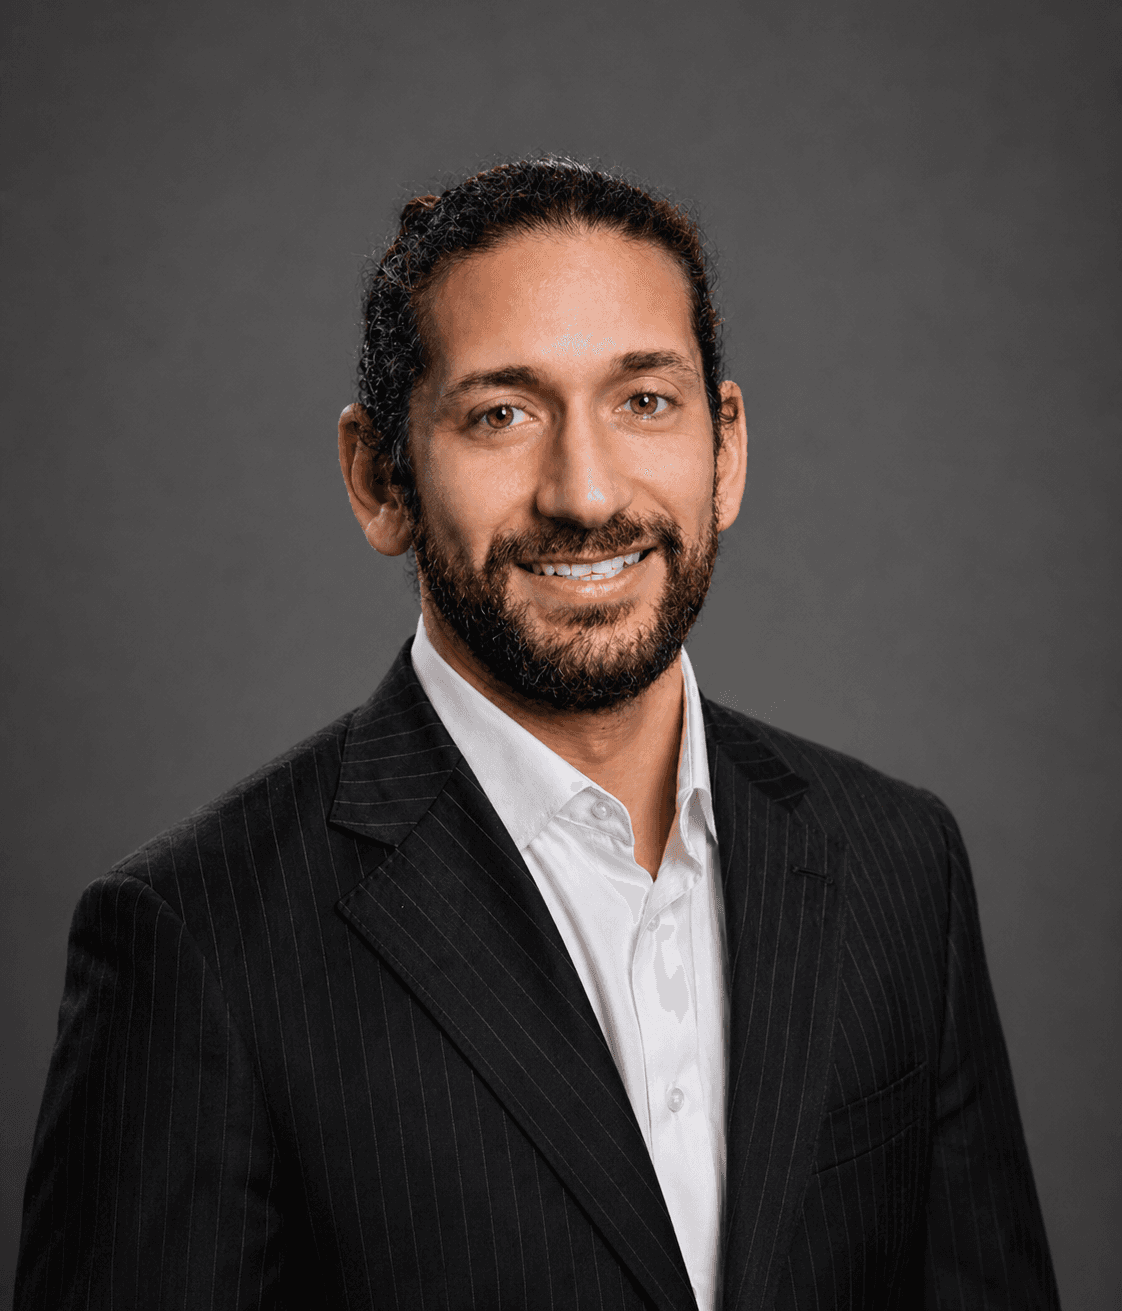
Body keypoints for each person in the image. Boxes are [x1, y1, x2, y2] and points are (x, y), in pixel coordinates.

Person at [16, 157, 1060, 1310]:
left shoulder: (898, 864)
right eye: (502, 413)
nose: (585, 490)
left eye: (644, 400)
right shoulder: (196, 944)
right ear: (380, 479)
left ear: (727, 448)